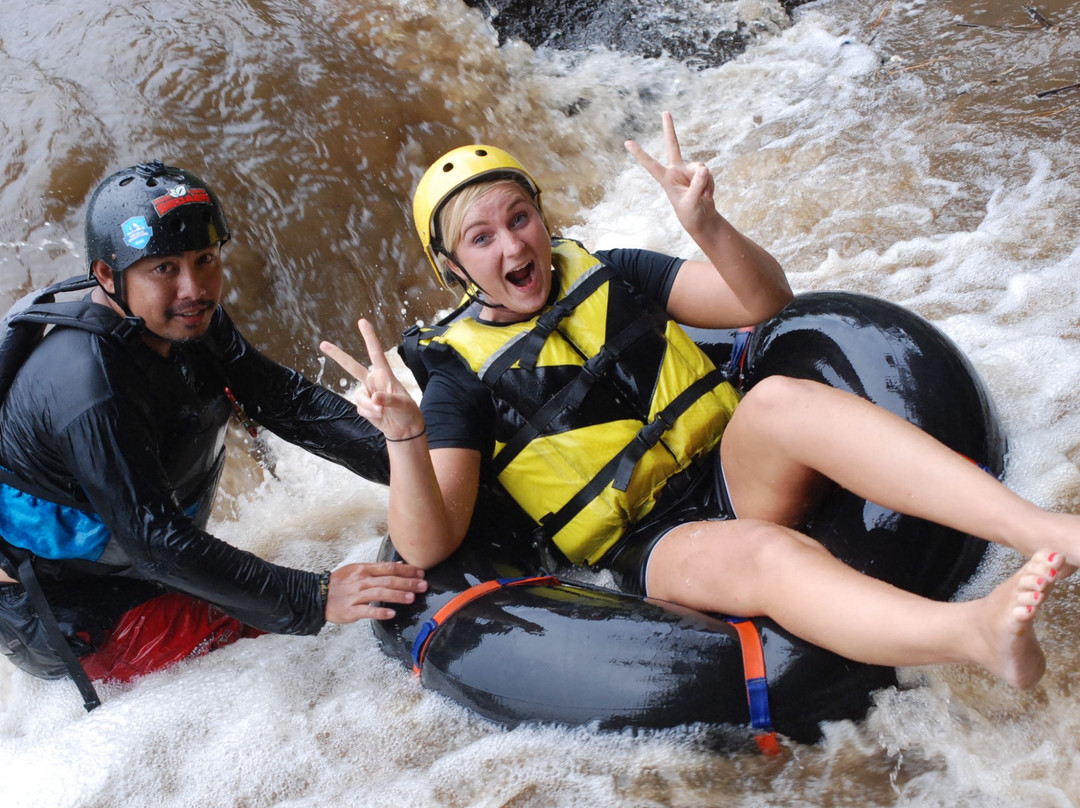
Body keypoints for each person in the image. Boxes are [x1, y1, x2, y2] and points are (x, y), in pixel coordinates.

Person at [320, 112, 1075, 692]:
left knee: (778, 399)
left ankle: (1048, 531)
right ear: (454, 267)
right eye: (482, 239)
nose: (514, 248)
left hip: (731, 469)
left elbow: (764, 302)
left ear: (541, 217)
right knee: (765, 555)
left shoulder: (610, 270)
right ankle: (974, 635)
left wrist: (706, 225)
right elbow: (429, 544)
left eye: (519, 219)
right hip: (654, 542)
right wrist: (405, 434)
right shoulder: (458, 377)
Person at [0, 160, 426, 707]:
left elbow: (287, 403)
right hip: (70, 613)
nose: (194, 288)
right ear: (107, 275)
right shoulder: (88, 385)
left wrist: (419, 465)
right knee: (296, 645)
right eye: (164, 268)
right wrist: (316, 595)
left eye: (205, 260)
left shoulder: (187, 321)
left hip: (137, 553)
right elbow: (157, 543)